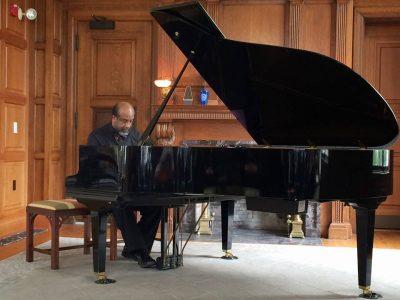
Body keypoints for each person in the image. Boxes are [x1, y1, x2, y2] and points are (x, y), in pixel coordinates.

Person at [87, 102, 161, 268]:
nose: (128, 125)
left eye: (131, 121)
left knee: (157, 205)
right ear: (113, 118)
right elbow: (95, 168)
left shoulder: (137, 136)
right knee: (120, 204)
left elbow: (151, 159)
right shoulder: (97, 137)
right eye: (124, 121)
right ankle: (141, 252)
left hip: (133, 188)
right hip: (106, 189)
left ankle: (132, 248)